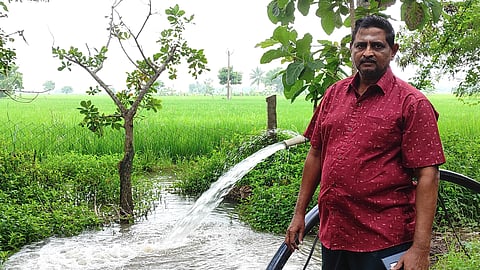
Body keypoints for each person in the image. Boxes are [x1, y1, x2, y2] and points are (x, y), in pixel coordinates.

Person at [284, 15, 446, 270]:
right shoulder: (333, 94)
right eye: (361, 45)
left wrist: (420, 249)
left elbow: (428, 176)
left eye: (377, 46)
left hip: (384, 239)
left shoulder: (412, 103)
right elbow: (316, 154)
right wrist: (299, 214)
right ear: (351, 50)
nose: (368, 52)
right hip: (334, 234)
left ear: (393, 51)